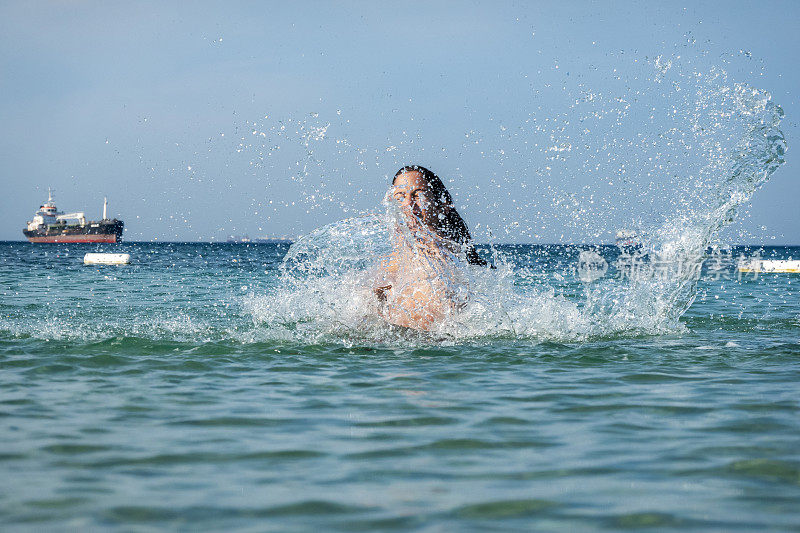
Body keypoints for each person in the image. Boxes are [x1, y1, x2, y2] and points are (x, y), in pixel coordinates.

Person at [373, 165, 488, 330]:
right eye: (400, 196)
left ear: (442, 205)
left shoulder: (448, 257)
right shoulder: (391, 260)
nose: (408, 204)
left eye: (417, 195)